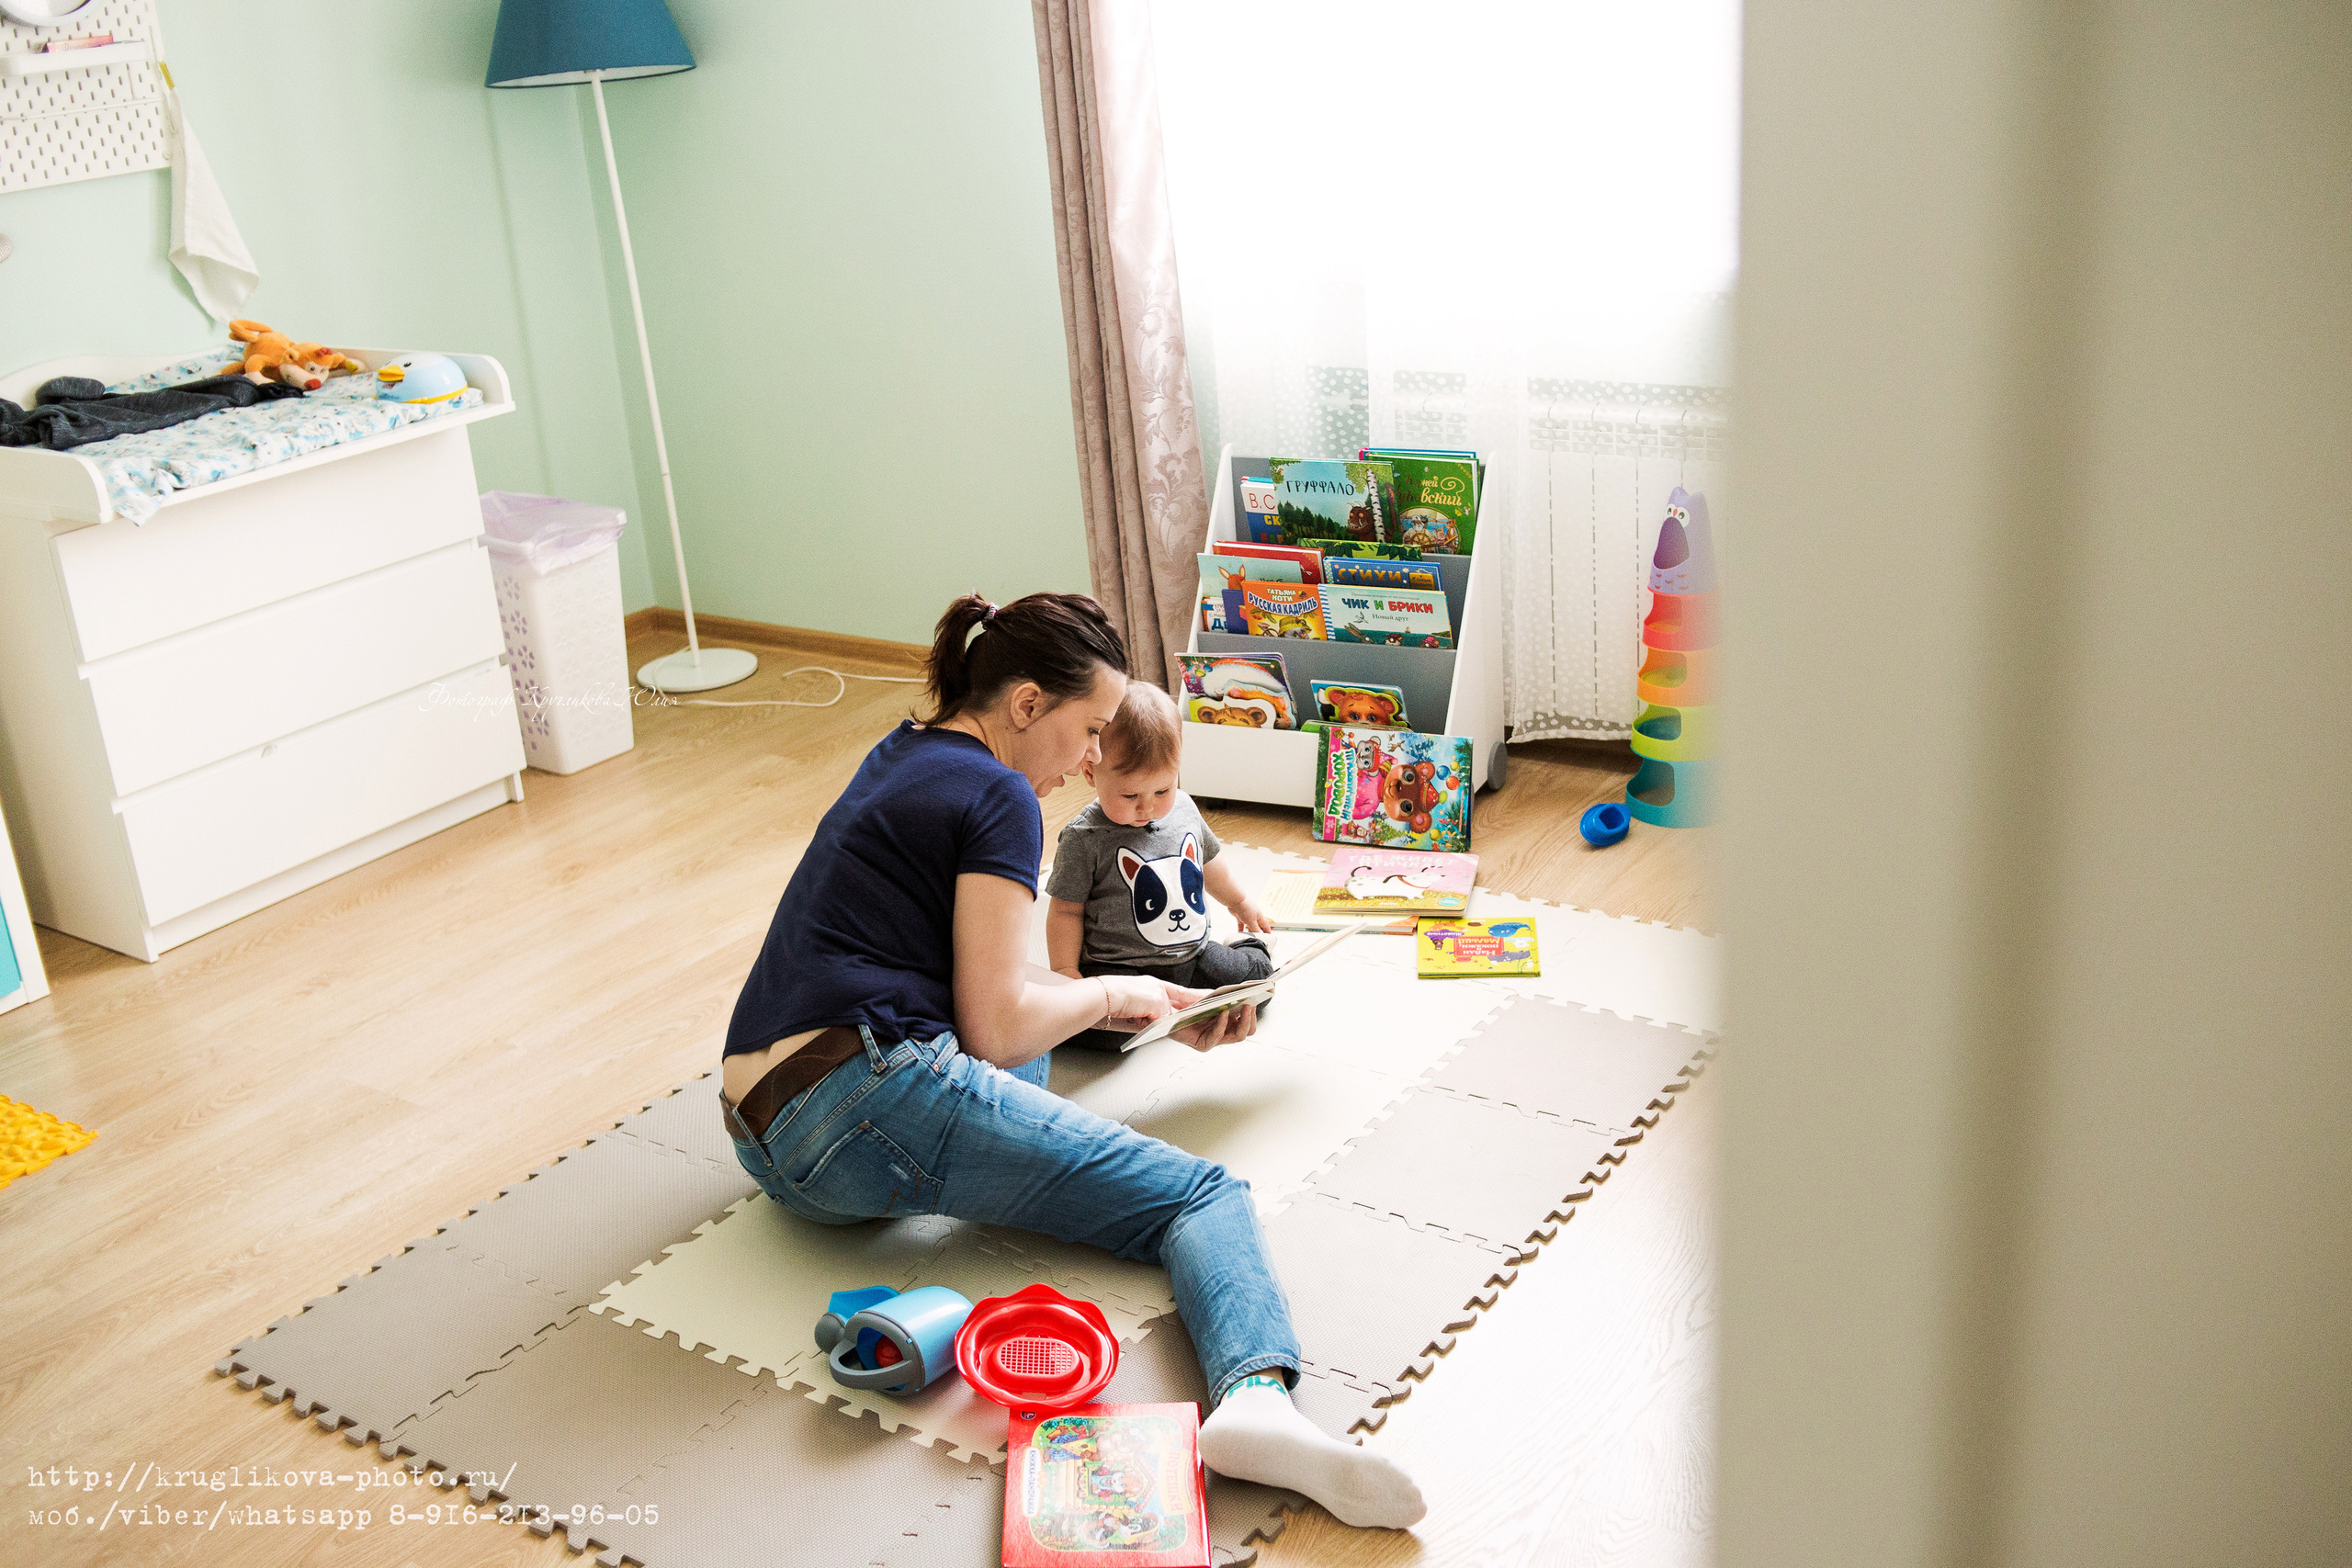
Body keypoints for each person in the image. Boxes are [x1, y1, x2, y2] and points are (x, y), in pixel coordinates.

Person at [719, 591, 1425, 1530]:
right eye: (1088, 729)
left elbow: (991, 997)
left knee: (1034, 1065)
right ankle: (1256, 1398)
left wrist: (1140, 1006)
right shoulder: (1001, 793)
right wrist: (1100, 994)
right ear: (1024, 706)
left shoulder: (903, 751)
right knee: (1200, 1195)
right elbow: (1000, 1027)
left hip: (767, 1134)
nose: (1094, 757)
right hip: (863, 1107)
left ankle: (1122, 1037)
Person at [1046, 682, 1276, 1050]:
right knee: (1080, 1032)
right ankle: (1155, 1015)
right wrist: (1066, 974)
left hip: (1192, 957)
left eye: (1162, 790)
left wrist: (1240, 903)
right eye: (1130, 795)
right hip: (1118, 972)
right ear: (1091, 774)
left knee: (1257, 987)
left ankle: (1247, 948)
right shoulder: (1083, 837)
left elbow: (1210, 862)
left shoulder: (1184, 808)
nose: (1147, 807)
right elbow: (1065, 912)